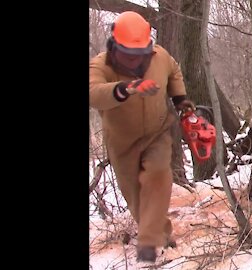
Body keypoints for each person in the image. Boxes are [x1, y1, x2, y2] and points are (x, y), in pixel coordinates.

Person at [89, 11, 195, 262]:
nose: (135, 59)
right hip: (122, 141)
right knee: (136, 194)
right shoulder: (101, 64)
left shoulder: (161, 56)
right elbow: (93, 92)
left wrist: (180, 99)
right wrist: (125, 88)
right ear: (116, 46)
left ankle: (158, 240)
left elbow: (174, 71)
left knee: (158, 176)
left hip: (156, 133)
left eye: (140, 53)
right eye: (129, 54)